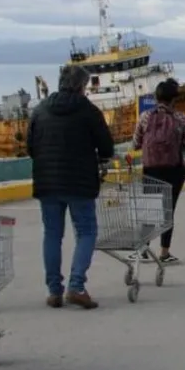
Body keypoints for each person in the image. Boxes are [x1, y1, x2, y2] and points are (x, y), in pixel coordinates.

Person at [28, 63, 115, 309]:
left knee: (52, 234)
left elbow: (31, 147)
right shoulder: (89, 111)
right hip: (80, 182)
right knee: (86, 232)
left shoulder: (40, 110)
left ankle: (54, 290)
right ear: (82, 86)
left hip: (47, 181)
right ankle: (76, 286)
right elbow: (107, 148)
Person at [132, 77, 185, 264]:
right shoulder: (181, 118)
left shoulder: (145, 117)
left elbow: (136, 143)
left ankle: (142, 249)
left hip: (151, 169)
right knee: (168, 211)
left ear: (156, 98)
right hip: (174, 170)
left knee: (149, 209)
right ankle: (165, 253)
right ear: (174, 99)